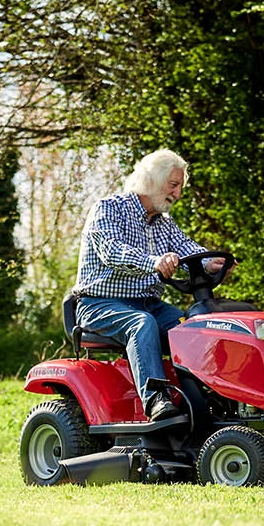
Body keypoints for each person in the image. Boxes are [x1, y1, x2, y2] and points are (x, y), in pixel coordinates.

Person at [72, 149, 226, 421]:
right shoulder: (108, 209)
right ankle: (156, 400)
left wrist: (212, 261)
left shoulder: (164, 225)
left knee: (194, 326)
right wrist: (154, 262)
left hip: (149, 305)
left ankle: (210, 398)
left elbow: (188, 249)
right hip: (98, 305)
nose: (177, 194)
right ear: (153, 180)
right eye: (173, 185)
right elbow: (112, 251)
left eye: (180, 187)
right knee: (142, 324)